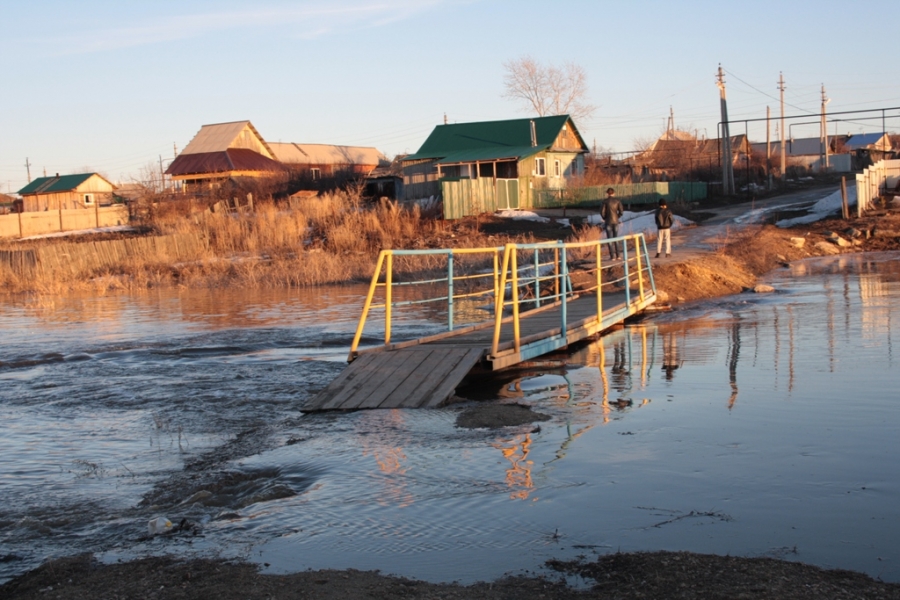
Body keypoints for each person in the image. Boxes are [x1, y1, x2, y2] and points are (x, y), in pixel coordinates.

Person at [600, 187, 623, 260]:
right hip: (615, 222)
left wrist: (605, 218)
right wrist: (617, 217)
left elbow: (602, 212)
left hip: (608, 222)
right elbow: (621, 212)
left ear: (607, 194)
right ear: (613, 193)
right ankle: (618, 255)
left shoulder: (605, 201)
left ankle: (612, 256)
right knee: (616, 238)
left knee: (609, 239)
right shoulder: (617, 201)